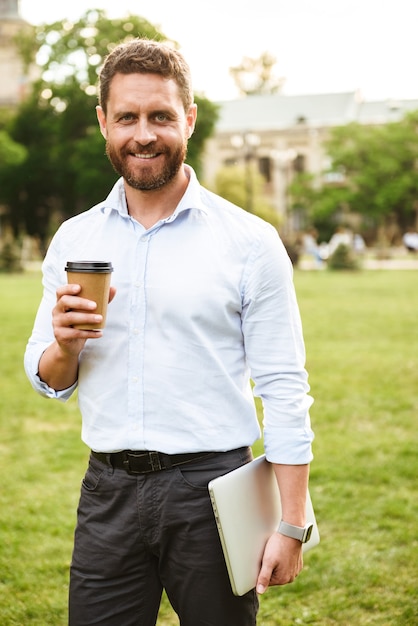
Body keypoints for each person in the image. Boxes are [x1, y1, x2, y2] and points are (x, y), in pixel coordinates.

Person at [24, 38, 314, 626]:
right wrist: (68, 345)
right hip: (106, 494)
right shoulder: (75, 241)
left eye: (160, 115)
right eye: (127, 117)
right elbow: (48, 379)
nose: (144, 134)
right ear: (104, 122)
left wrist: (291, 523)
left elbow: (284, 387)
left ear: (189, 118)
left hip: (215, 492)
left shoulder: (249, 242)